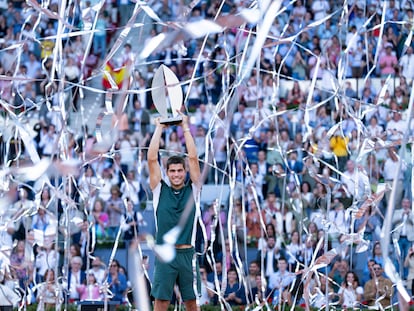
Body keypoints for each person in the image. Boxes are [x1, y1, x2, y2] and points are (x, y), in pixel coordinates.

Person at [148, 111, 202, 311]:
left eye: (180, 170)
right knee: (161, 302)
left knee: (191, 303)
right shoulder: (159, 190)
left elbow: (194, 158)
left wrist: (185, 127)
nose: (177, 174)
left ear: (185, 171)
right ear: (167, 173)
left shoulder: (193, 189)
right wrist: (159, 128)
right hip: (165, 254)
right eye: (172, 171)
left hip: (187, 253)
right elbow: (152, 159)